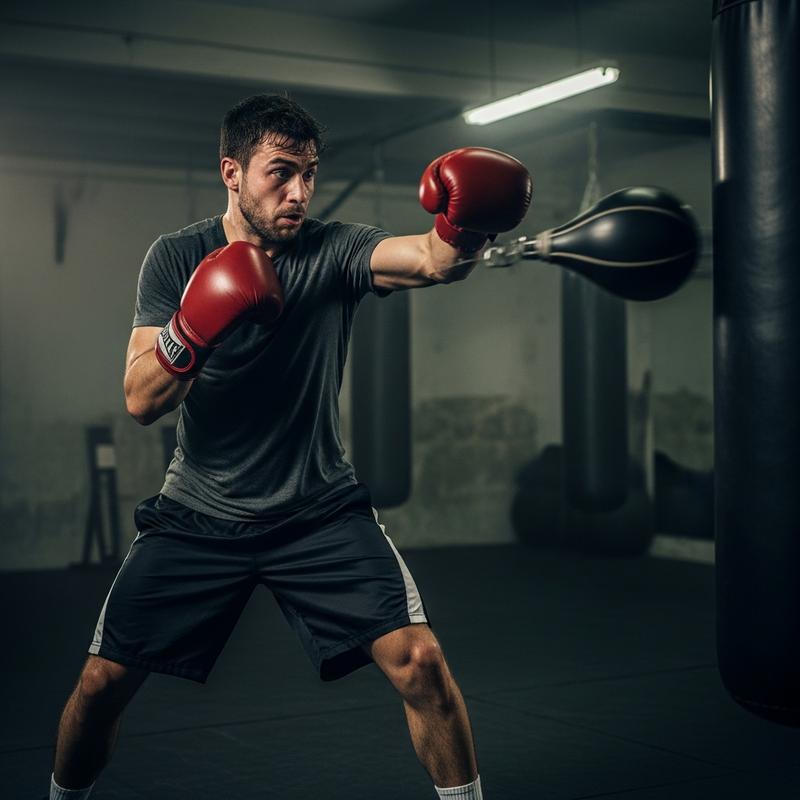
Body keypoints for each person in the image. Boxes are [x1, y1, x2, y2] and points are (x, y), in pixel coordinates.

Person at [48, 94, 531, 800]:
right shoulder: (178, 257)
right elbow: (142, 399)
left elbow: (430, 261)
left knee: (421, 662)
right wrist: (197, 321)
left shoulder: (334, 249)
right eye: (280, 172)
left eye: (309, 173)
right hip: (199, 514)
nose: (299, 192)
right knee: (99, 684)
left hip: (317, 511)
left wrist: (465, 224)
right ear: (232, 173)